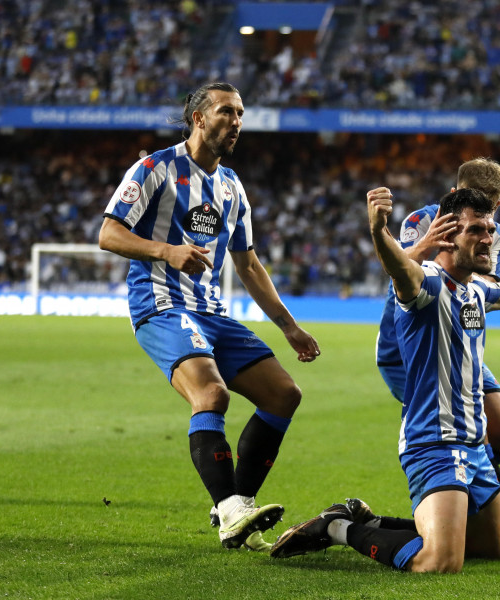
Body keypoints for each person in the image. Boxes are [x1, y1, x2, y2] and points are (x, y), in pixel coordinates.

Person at [270, 188, 500, 573]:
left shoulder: (478, 289)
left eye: (489, 229)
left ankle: (371, 523)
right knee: (440, 561)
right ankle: (338, 529)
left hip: (474, 448)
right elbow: (400, 267)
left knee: (487, 551)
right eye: (476, 231)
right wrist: (378, 229)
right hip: (433, 443)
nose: (488, 238)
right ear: (448, 235)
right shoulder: (426, 284)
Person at [99, 82, 321, 551]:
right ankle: (230, 510)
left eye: (240, 113)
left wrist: (289, 326)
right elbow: (109, 233)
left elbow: (249, 263)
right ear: (199, 118)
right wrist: (166, 250)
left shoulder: (231, 186)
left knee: (284, 394)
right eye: (226, 112)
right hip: (161, 304)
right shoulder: (155, 168)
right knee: (211, 393)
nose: (236, 122)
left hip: (212, 313)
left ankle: (237, 505)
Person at [374, 157, 500, 558]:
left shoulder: (485, 256)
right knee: (440, 421)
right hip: (411, 347)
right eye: (480, 224)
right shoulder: (424, 230)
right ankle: (346, 525)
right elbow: (402, 272)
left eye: (492, 219)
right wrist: (389, 236)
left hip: (458, 335)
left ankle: (462, 507)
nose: (489, 231)